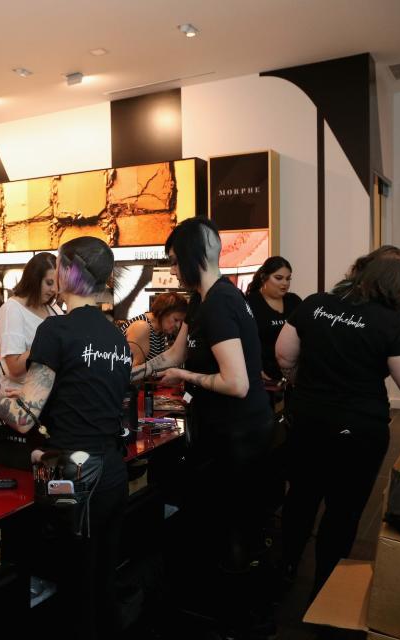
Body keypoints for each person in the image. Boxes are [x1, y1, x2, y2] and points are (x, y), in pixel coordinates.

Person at [0, 236, 131, 639]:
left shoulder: (56, 330)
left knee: (72, 585)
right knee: (101, 581)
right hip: (112, 470)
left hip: (72, 476)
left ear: (68, 272)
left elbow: (22, 418)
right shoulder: (115, 336)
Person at [276, 245, 400, 598]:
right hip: (357, 433)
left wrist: (297, 381)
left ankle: (284, 570)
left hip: (307, 419)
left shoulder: (315, 303)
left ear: (361, 270)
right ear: (399, 285)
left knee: (300, 498)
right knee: (342, 511)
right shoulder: (392, 323)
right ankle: (325, 589)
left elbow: (284, 355)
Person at [132, 217, 273, 630]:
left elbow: (235, 382)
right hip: (224, 433)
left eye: (175, 261)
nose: (173, 269)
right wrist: (129, 374)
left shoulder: (222, 304)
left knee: (233, 526)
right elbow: (175, 355)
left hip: (239, 435)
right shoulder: (202, 301)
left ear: (193, 257)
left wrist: (187, 379)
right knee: (220, 522)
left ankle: (237, 619)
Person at [0, 252, 60, 394]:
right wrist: (50, 342)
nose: (54, 289)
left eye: (57, 283)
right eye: (49, 283)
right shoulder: (12, 310)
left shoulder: (53, 308)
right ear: (34, 279)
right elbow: (15, 368)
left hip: (50, 398)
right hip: (22, 400)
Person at [246, 256, 302, 381]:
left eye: (288, 279)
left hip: (292, 374)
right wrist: (254, 367)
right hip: (263, 374)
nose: (285, 283)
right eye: (278, 278)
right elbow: (243, 340)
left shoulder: (294, 301)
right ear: (264, 277)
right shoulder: (250, 303)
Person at [121, 291, 188, 366]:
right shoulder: (142, 327)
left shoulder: (160, 330)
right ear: (162, 312)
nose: (178, 326)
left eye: (180, 322)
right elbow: (134, 370)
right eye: (175, 320)